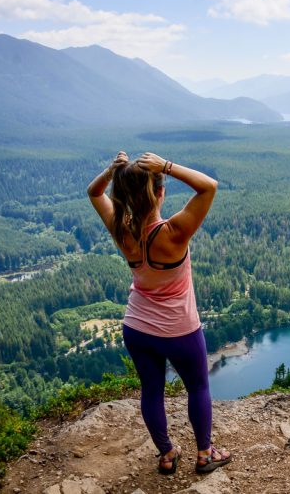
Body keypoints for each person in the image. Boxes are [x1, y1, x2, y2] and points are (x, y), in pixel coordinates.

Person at [87, 151, 230, 475]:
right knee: (198, 388)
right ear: (160, 192)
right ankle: (205, 454)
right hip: (180, 330)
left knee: (152, 391)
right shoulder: (174, 232)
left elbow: (94, 192)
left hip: (137, 328)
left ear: (123, 196)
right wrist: (166, 165)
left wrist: (112, 171)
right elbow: (208, 187)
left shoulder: (121, 230)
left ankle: (167, 454)